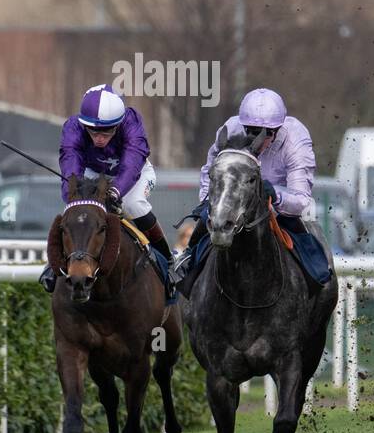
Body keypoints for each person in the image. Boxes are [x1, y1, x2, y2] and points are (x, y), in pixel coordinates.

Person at [171, 88, 330, 293]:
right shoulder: (230, 128)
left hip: (278, 208)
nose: (257, 138)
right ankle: (185, 269)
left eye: (266, 133)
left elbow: (301, 200)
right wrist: (210, 202)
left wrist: (275, 195)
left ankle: (319, 284)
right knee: (204, 225)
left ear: (279, 129)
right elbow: (209, 171)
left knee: (312, 263)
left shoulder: (296, 139)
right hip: (234, 201)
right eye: (251, 130)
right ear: (242, 124)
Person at [39, 84, 170, 293]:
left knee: (133, 205)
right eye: (93, 131)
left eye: (107, 131)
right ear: (84, 124)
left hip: (133, 174)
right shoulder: (73, 127)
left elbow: (132, 163)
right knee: (75, 212)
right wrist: (74, 195)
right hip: (92, 173)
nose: (99, 138)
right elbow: (71, 164)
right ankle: (52, 267)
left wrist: (115, 191)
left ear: (118, 124)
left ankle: (167, 259)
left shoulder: (131, 122)